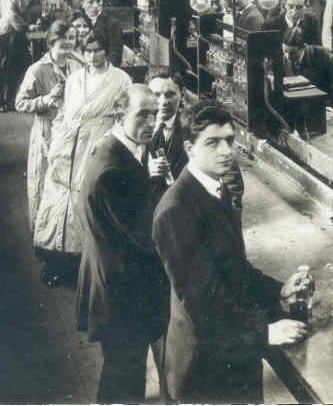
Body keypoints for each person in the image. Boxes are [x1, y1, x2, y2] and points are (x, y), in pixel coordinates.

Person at [152, 100, 311, 403]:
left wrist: (280, 290)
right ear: (189, 147)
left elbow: (235, 267)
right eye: (212, 142)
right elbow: (203, 301)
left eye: (229, 140)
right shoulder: (177, 210)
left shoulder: (215, 188)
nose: (226, 150)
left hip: (231, 349)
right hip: (205, 366)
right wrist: (264, 333)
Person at [76, 84, 165, 403]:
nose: (151, 122)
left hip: (120, 280)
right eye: (142, 114)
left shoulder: (122, 148)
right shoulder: (111, 168)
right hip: (120, 288)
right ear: (118, 114)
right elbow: (143, 233)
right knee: (124, 377)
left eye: (154, 114)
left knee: (125, 370)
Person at [34, 32, 131, 288]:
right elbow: (65, 112)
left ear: (106, 51)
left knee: (86, 199)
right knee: (59, 200)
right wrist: (57, 141)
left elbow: (124, 116)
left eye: (97, 50)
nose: (92, 56)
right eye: (87, 51)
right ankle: (57, 262)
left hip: (98, 143)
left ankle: (84, 267)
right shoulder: (75, 78)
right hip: (69, 144)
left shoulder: (120, 79)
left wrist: (110, 140)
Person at [15, 19, 82, 234]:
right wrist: (44, 100)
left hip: (71, 133)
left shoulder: (77, 65)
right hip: (46, 134)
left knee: (67, 187)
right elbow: (20, 103)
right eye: (63, 43)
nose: (68, 46)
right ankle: (41, 240)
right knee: (44, 186)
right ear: (52, 42)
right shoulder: (37, 70)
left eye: (72, 40)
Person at [0, 0, 37, 111]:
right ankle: (1, 102)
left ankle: (12, 101)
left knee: (19, 69)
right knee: (2, 69)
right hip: (5, 35)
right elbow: (11, 17)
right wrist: (28, 26)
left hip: (19, 36)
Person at [283, 28, 333, 105]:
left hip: (321, 103)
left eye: (293, 52)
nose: (288, 56)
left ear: (303, 47)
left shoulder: (323, 56)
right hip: (296, 105)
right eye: (285, 51)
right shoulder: (283, 59)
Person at [81, 0, 123, 67]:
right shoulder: (77, 20)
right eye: (91, 2)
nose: (96, 5)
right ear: (82, 3)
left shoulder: (112, 24)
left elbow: (115, 56)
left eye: (98, 1)